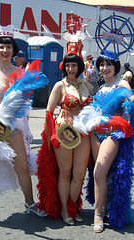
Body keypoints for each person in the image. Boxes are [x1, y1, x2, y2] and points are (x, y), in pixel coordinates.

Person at [0, 16, 47, 228]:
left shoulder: (20, 73)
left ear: (13, 50)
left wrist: (27, 126)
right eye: (1, 47)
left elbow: (24, 105)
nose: (5, 50)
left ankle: (30, 203)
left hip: (13, 128)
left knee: (22, 167)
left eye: (9, 47)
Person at [74, 51, 134, 232]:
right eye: (102, 65)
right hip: (96, 134)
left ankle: (97, 215)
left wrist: (127, 129)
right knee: (103, 174)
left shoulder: (122, 83)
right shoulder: (103, 85)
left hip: (112, 135)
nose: (104, 68)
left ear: (116, 66)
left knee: (99, 172)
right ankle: (103, 208)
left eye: (108, 64)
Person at [36, 53, 93, 225]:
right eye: (67, 65)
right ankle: (64, 209)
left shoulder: (88, 86)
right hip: (65, 134)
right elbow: (48, 111)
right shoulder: (60, 86)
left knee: (80, 173)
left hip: (83, 134)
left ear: (80, 66)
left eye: (74, 65)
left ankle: (72, 206)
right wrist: (52, 134)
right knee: (65, 173)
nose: (70, 69)